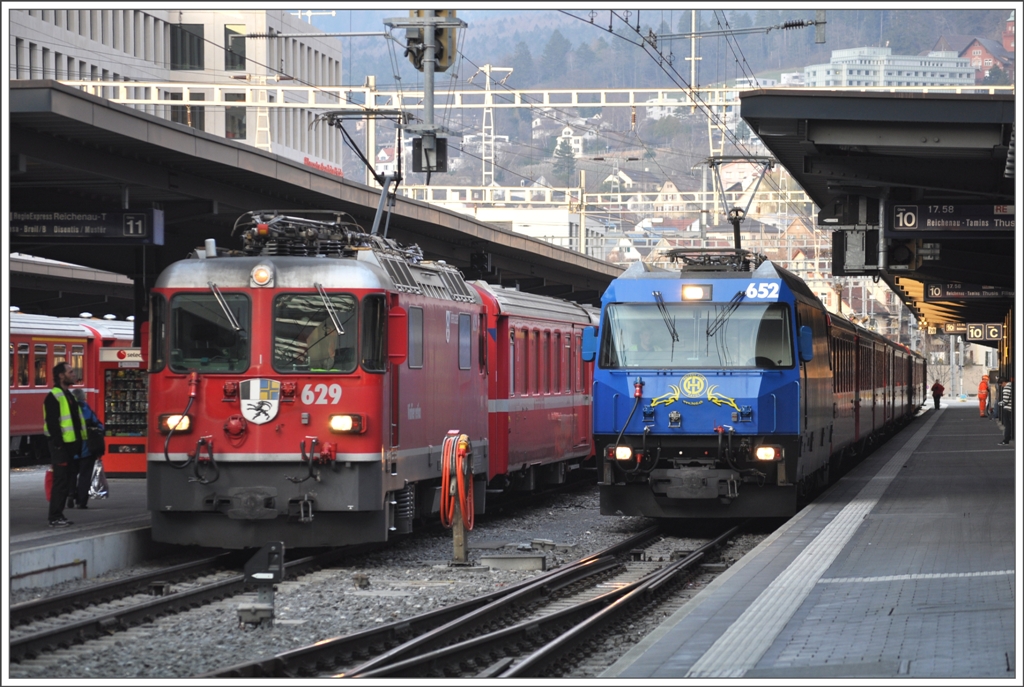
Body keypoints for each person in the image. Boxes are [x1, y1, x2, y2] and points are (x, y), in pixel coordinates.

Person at [43, 363, 87, 528]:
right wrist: (59, 445)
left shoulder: (69, 396)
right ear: (61, 376)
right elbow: (53, 424)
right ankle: (54, 517)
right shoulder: (54, 396)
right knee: (60, 482)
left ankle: (58, 515)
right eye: (70, 372)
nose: (74, 374)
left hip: (69, 447)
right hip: (61, 447)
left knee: (65, 482)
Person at [69, 388, 104, 509]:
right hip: (86, 448)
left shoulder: (67, 409)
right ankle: (81, 502)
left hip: (71, 448)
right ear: (83, 398)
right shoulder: (86, 409)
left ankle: (70, 495)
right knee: (85, 475)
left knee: (71, 474)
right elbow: (99, 425)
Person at [998, 378, 1013, 445]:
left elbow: (1005, 401)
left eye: (1001, 384)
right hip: (1012, 408)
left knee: (1007, 425)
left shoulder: (1006, 388)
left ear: (1004, 382)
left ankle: (1006, 439)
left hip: (1008, 408)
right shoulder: (1012, 386)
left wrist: (999, 403)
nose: (1001, 386)